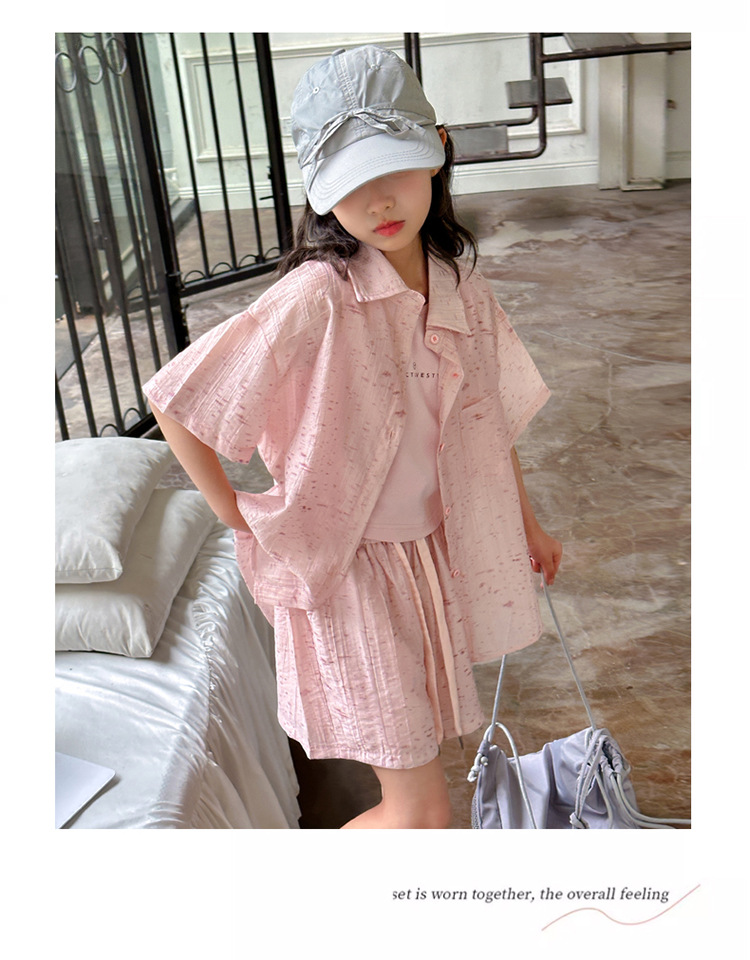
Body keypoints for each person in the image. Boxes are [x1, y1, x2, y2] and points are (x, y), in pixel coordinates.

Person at [143, 44, 562, 829]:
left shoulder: (461, 285)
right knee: (420, 814)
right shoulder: (316, 297)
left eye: (393, 169)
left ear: (438, 150)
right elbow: (176, 398)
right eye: (350, 185)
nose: (379, 202)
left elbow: (484, 419)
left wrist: (526, 522)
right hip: (350, 572)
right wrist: (236, 514)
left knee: (424, 808)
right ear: (319, 194)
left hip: (426, 558)